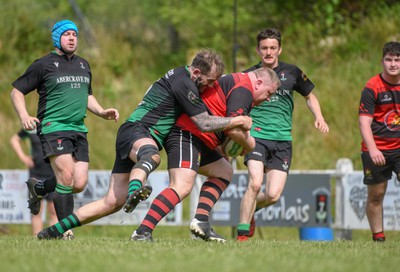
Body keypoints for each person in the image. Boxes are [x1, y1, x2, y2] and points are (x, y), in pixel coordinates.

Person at [36, 49, 253, 240]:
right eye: (211, 81)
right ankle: (135, 190)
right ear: (196, 73)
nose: (212, 85)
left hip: (134, 133)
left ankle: (53, 231)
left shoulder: (181, 77)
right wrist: (237, 120)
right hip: (137, 130)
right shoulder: (184, 82)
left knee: (111, 202)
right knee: (151, 156)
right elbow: (204, 123)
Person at [130, 67, 281, 242]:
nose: (269, 98)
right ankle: (142, 232)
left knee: (223, 171)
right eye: (269, 92)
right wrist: (250, 144)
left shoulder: (240, 83)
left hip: (201, 139)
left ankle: (201, 221)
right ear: (259, 83)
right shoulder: (244, 89)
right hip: (186, 134)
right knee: (181, 186)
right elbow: (234, 129)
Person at [10, 19, 119, 239]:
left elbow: (87, 96)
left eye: (75, 35)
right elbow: (17, 91)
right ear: (57, 37)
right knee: (66, 177)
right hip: (54, 127)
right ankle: (64, 231)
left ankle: (39, 188)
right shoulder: (43, 64)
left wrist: (101, 111)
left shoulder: (83, 65)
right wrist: (23, 115)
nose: (72, 38)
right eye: (67, 34)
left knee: (79, 183)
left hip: (79, 129)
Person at [237, 28, 329, 241]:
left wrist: (319, 117)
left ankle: (250, 211)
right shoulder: (248, 75)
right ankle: (242, 236)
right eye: (264, 48)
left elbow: (309, 96)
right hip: (256, 138)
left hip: (282, 140)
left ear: (280, 49)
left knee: (272, 195)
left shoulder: (293, 72)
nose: (268, 52)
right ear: (258, 50)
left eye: (272, 48)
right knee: (255, 182)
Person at [358, 41, 400, 242]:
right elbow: (364, 123)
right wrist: (374, 150)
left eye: (397, 60)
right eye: (389, 60)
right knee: (376, 194)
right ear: (382, 61)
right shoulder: (371, 87)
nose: (393, 64)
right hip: (376, 148)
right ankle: (378, 237)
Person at [10, 129, 58, 236]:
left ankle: (52, 236)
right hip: (36, 174)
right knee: (36, 210)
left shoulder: (55, 124)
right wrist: (23, 157)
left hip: (53, 173)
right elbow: (14, 140)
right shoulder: (32, 127)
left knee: (54, 211)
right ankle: (37, 237)